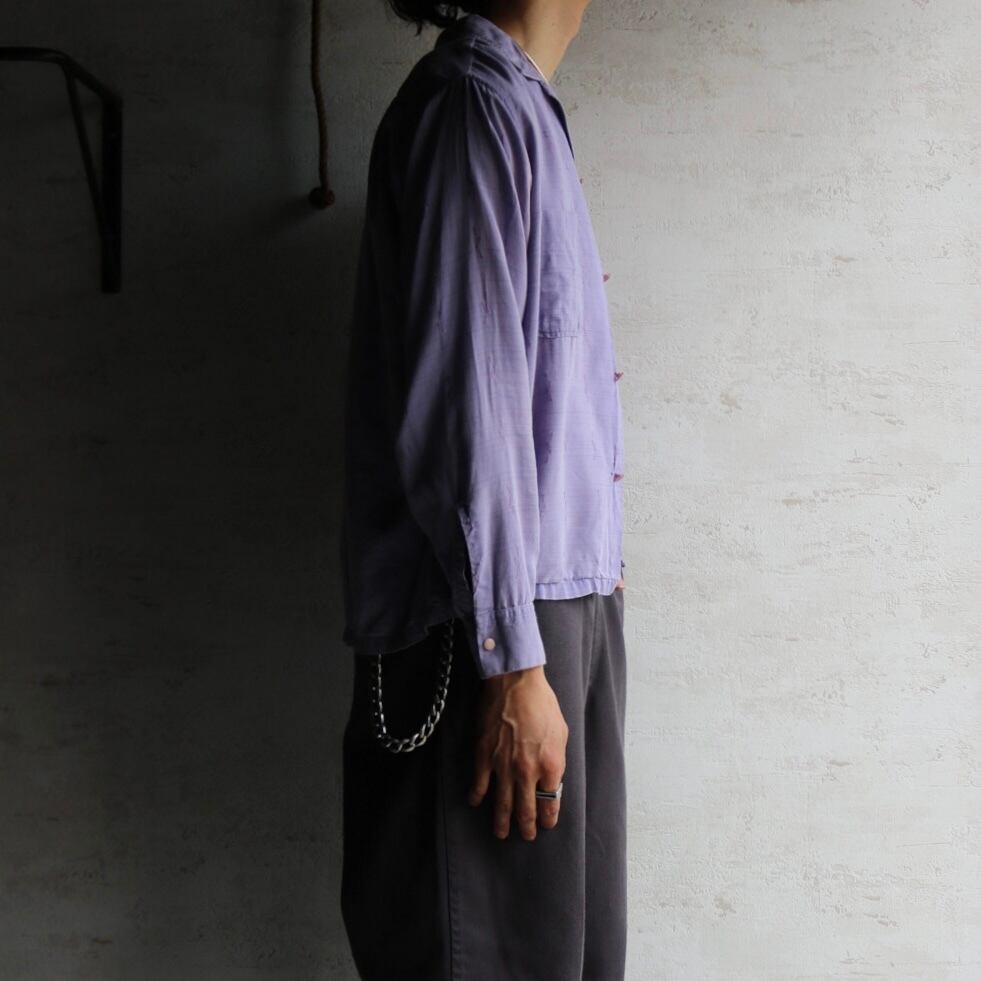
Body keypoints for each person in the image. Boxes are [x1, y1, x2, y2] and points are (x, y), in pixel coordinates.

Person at [338, 2, 627, 978]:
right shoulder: (473, 109)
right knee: (486, 954)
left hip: (553, 616)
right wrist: (510, 664)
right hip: (493, 634)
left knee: (564, 952)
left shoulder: (519, 110)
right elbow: (470, 403)